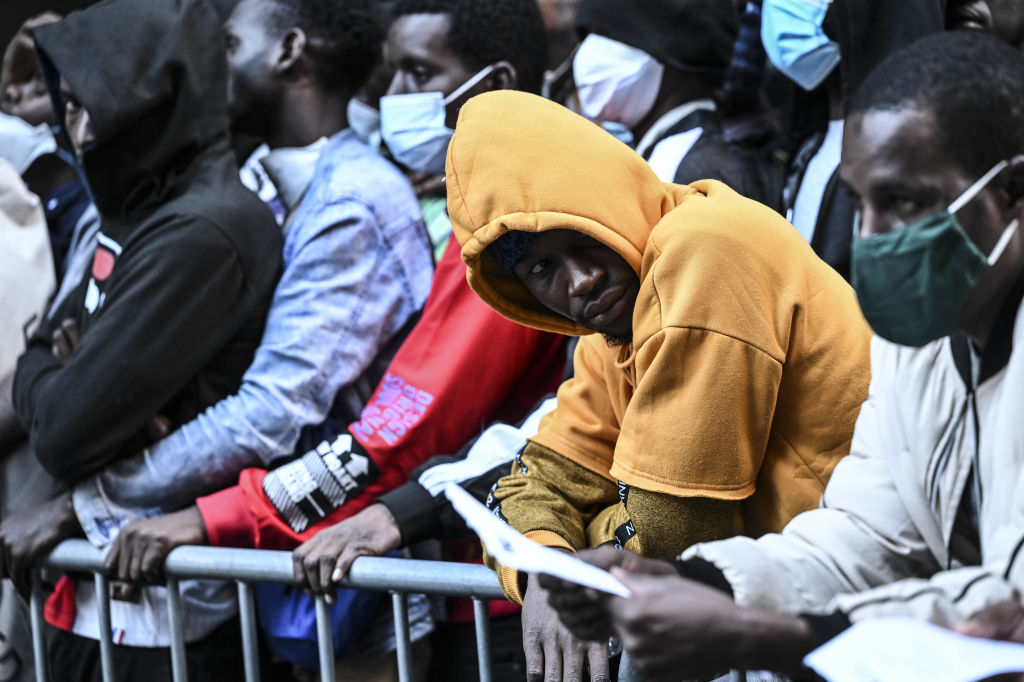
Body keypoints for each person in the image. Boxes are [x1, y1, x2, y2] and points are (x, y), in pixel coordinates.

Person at [101, 0, 565, 679]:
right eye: (393, 74)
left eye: (416, 72)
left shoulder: (514, 216)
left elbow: (401, 428)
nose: (393, 98)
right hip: (479, 577)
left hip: (501, 595)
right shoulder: (484, 199)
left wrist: (215, 519)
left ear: (493, 85)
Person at [541, 31, 1024, 681]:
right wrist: (687, 580)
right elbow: (868, 536)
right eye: (860, 205)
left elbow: (1012, 609)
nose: (871, 238)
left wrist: (770, 637)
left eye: (905, 202)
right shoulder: (919, 344)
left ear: (1013, 193)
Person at [442, 89, 871, 681]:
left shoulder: (704, 249)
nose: (584, 280)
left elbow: (678, 533)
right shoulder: (608, 330)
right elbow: (533, 478)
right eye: (543, 269)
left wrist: (576, 565)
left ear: (611, 202)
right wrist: (545, 567)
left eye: (586, 240)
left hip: (858, 618)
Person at [0, 0, 283, 677]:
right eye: (69, 107)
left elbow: (64, 433)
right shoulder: (135, 203)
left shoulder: (202, 229)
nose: (80, 129)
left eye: (96, 105)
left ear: (154, 105)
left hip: (166, 621)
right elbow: (47, 353)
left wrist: (49, 370)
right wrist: (54, 365)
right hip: (90, 599)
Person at [572, 0, 773, 205]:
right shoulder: (667, 156)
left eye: (612, 35)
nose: (591, 53)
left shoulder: (704, 178)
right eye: (589, 34)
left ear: (678, 52)